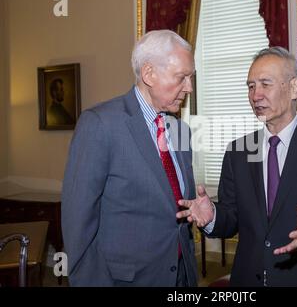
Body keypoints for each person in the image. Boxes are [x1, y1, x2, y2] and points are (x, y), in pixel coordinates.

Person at [176, 47, 297, 286]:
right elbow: (231, 218)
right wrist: (213, 215)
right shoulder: (238, 152)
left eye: (266, 84)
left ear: (295, 87)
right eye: (251, 86)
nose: (256, 95)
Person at [61, 30, 197, 286]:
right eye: (182, 77)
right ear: (149, 74)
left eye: (191, 78)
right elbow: (77, 222)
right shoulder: (100, 124)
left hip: (180, 276)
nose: (189, 87)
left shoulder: (181, 131)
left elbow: (174, 208)